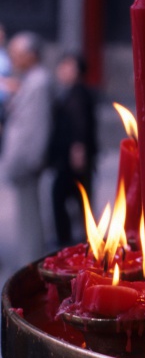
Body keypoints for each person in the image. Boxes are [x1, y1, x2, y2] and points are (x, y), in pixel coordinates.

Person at [0, 32, 53, 272]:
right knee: (26, 216)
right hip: (22, 162)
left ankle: (31, 264)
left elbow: (38, 126)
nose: (14, 60)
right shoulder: (31, 80)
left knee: (30, 218)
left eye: (17, 55)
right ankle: (29, 261)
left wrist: (31, 160)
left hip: (27, 161)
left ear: (30, 56)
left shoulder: (39, 82)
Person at [48, 52, 97, 247]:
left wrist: (78, 149)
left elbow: (80, 123)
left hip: (73, 157)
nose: (61, 70)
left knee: (68, 196)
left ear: (76, 70)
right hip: (69, 155)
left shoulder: (78, 93)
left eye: (66, 66)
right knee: (77, 196)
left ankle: (70, 240)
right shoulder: (72, 91)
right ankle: (81, 239)